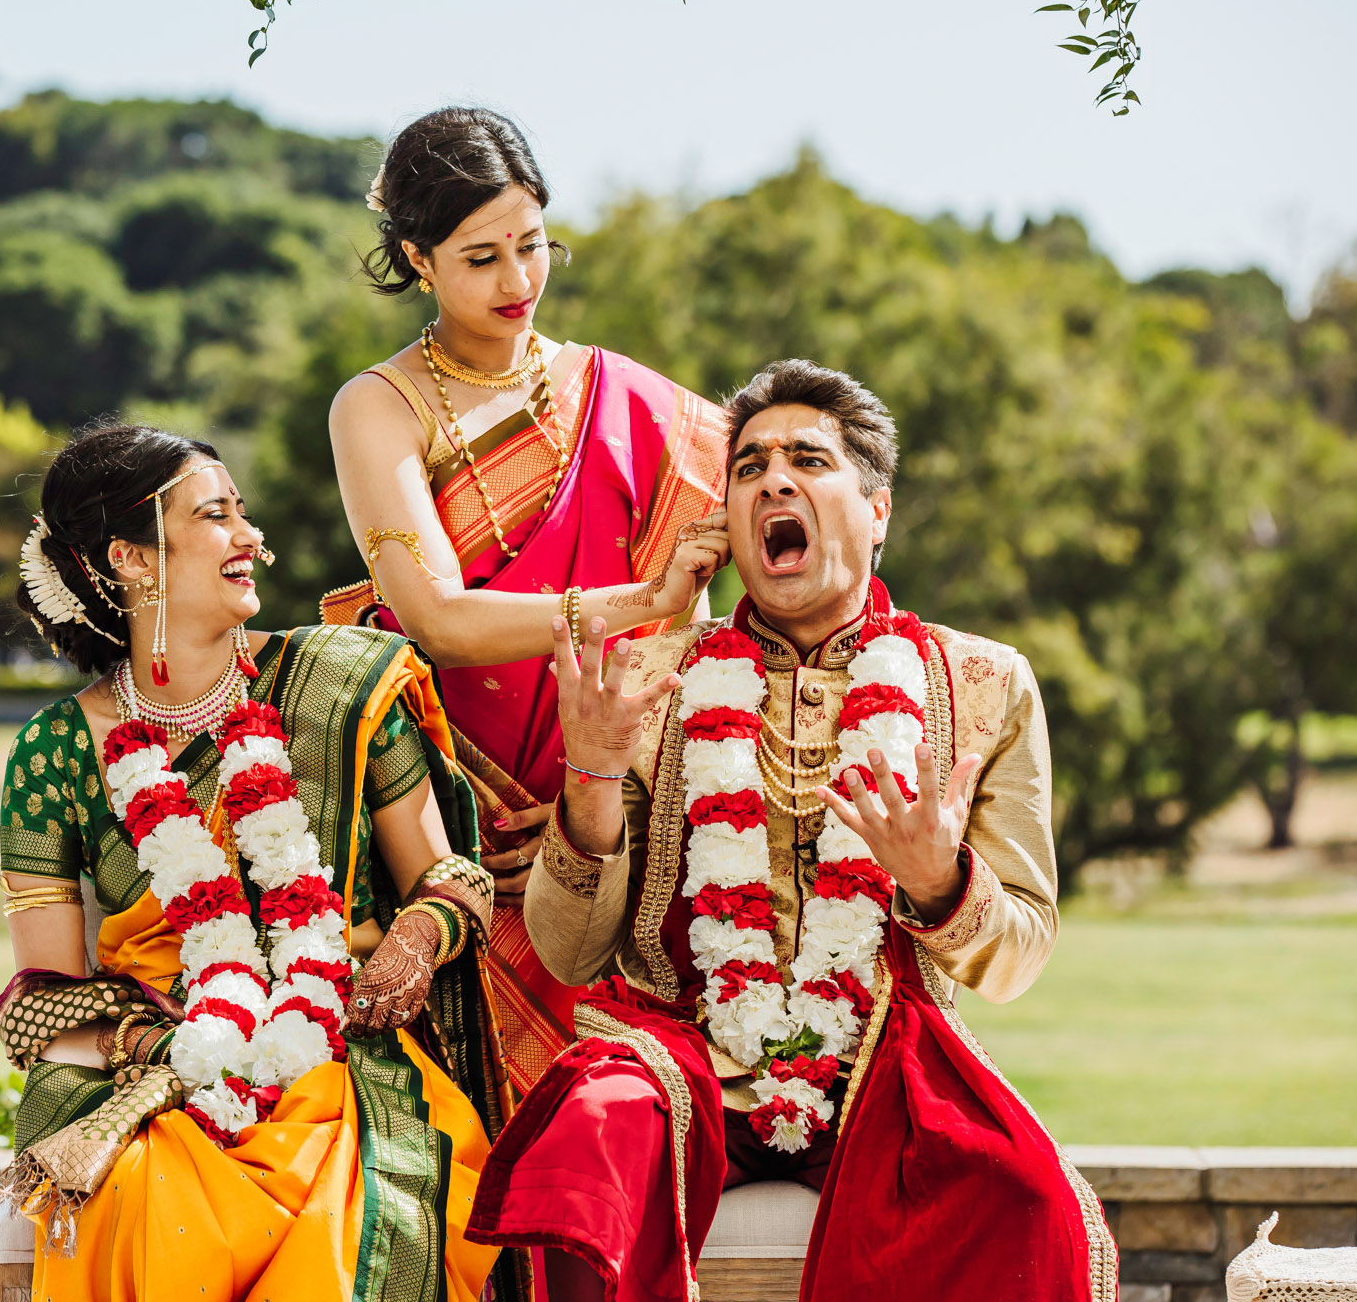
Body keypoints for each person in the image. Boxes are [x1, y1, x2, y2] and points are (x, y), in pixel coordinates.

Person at [467, 360, 1116, 1302]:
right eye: (749, 466)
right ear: (728, 520)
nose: (773, 479)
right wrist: (595, 770)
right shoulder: (649, 678)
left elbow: (1017, 956)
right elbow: (570, 955)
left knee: (1023, 1195)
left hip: (885, 1067)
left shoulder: (984, 685)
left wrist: (940, 882)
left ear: (878, 508)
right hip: (680, 1049)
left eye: (808, 459)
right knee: (586, 1134)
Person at [0, 422, 516, 1302]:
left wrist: (415, 939)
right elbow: (46, 1000)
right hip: (158, 1077)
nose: (252, 540)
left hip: (345, 1062)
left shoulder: (342, 683)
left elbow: (453, 875)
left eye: (244, 513)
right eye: (217, 517)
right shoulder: (56, 753)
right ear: (133, 559)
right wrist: (187, 1049)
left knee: (341, 1235)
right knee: (156, 1208)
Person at [327, 107, 730, 1090]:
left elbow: (767, 504)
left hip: (609, 816)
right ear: (418, 259)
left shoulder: (624, 396)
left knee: (612, 1117)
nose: (518, 282)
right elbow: (439, 621)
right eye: (480, 258)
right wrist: (638, 599)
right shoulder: (381, 406)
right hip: (443, 819)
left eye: (533, 246)